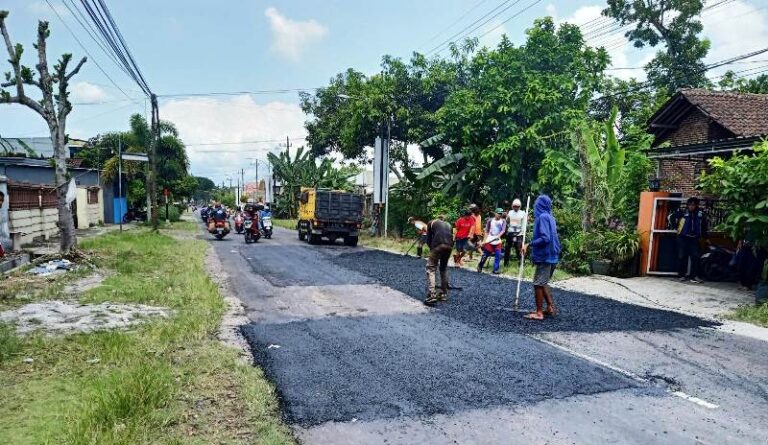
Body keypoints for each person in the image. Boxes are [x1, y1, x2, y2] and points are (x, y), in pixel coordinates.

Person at [522, 194, 561, 320]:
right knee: (543, 282)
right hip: (553, 255)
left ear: (539, 205)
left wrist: (529, 244)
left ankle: (539, 313)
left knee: (538, 283)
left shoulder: (543, 217)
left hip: (545, 255)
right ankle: (550, 307)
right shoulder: (551, 217)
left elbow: (545, 238)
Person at [673, 197, 708, 283]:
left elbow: (704, 227)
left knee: (695, 257)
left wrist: (705, 238)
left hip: (694, 238)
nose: (691, 206)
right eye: (689, 205)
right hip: (683, 238)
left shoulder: (700, 214)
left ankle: (694, 276)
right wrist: (676, 227)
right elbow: (672, 219)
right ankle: (681, 275)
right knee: (682, 256)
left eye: (693, 205)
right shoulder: (682, 212)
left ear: (696, 205)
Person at [424, 215, 454, 306]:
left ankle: (432, 295)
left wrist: (432, 251)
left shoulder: (431, 222)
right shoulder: (448, 225)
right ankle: (443, 293)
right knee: (443, 268)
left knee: (431, 268)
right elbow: (451, 237)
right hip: (449, 246)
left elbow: (428, 239)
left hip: (437, 245)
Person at [477, 208, 506, 274]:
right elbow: (486, 231)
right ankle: (480, 266)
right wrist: (484, 241)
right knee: (485, 255)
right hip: (490, 239)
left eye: (501, 214)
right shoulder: (490, 220)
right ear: (495, 213)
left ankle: (495, 269)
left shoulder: (503, 221)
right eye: (498, 213)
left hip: (497, 240)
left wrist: (499, 235)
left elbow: (503, 230)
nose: (499, 215)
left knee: (498, 255)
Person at [504, 198, 527, 267]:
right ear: (512, 206)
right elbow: (507, 222)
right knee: (507, 248)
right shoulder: (510, 212)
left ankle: (521, 263)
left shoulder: (522, 213)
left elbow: (524, 224)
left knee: (518, 248)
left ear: (519, 206)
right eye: (514, 206)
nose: (516, 207)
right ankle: (506, 263)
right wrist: (506, 217)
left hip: (519, 233)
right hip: (510, 232)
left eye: (517, 206)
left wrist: (522, 233)